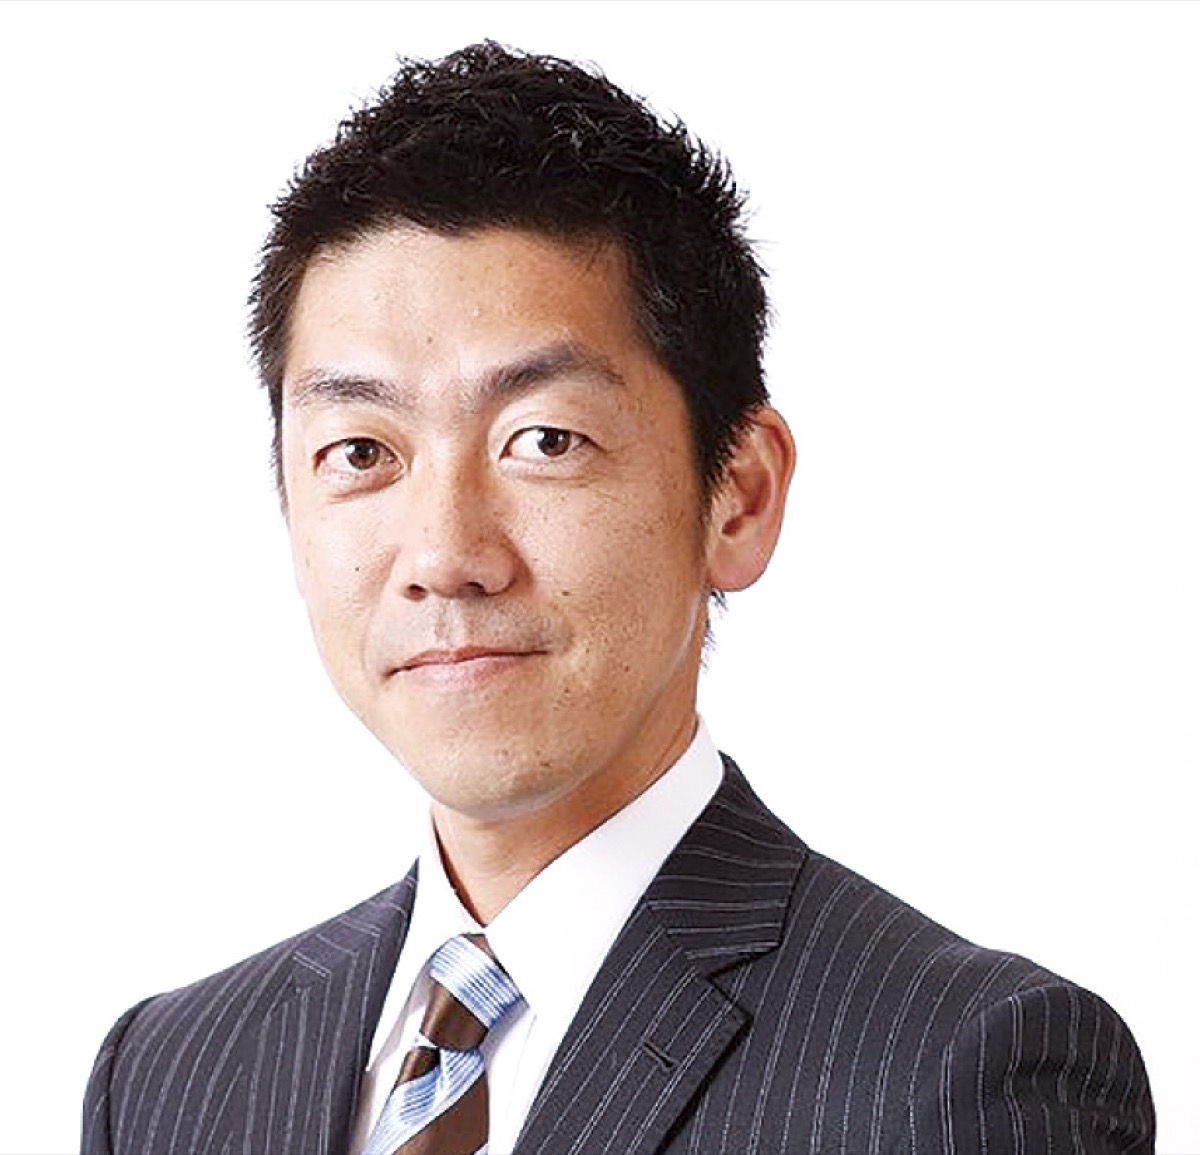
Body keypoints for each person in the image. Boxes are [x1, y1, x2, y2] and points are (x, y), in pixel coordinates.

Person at [81, 42, 1154, 1155]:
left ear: (738, 496)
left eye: (544, 439)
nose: (445, 554)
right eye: (361, 451)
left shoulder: (963, 1071)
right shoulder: (167, 1078)